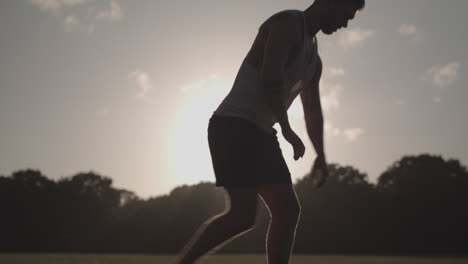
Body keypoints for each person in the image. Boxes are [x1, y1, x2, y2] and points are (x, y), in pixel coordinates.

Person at [174, 0, 365, 263]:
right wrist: (286, 128)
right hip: (233, 125)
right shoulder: (287, 23)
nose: (345, 23)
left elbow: (313, 110)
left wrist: (321, 155)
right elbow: (270, 78)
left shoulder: (314, 61)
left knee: (287, 211)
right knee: (242, 216)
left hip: (260, 132)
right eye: (346, 14)